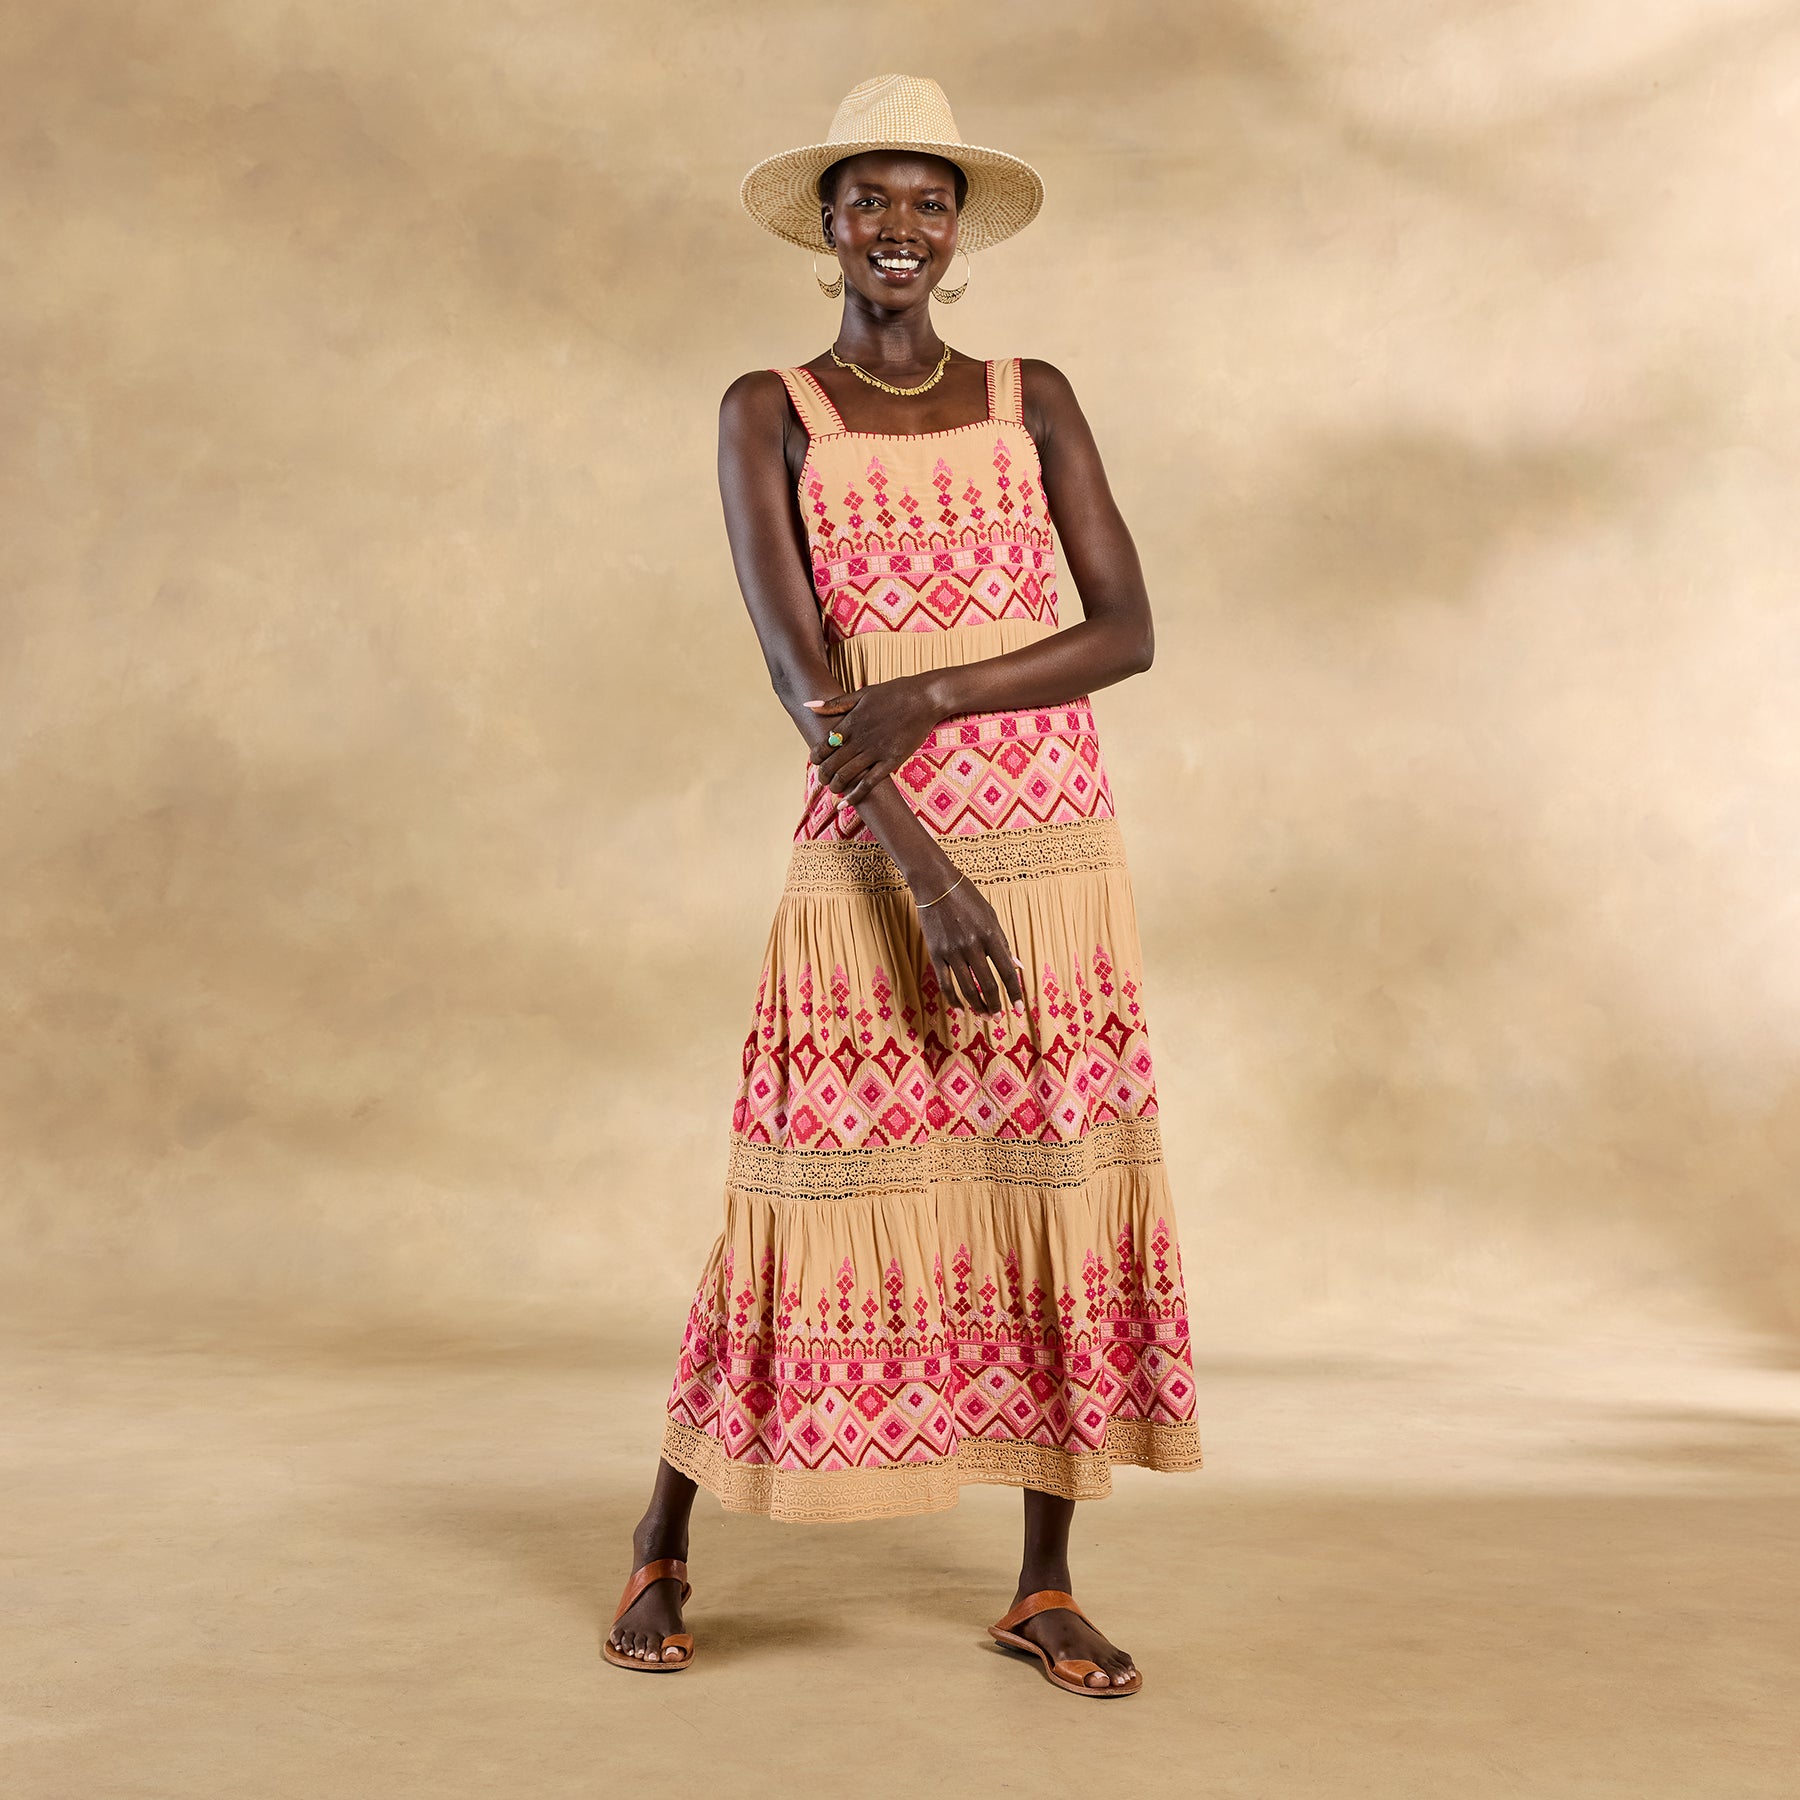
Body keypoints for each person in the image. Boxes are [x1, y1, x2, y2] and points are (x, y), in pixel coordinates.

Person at [603, 73, 1202, 1698]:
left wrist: (929, 693)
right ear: (828, 224)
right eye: (869, 198)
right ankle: (662, 1532)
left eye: (926, 202)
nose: (898, 227)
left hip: (1053, 843)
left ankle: (1043, 1584)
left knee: (1048, 1179)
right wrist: (925, 872)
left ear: (957, 232)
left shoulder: (1031, 396)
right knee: (809, 1183)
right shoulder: (768, 409)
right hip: (877, 848)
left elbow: (1127, 630)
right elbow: (802, 675)